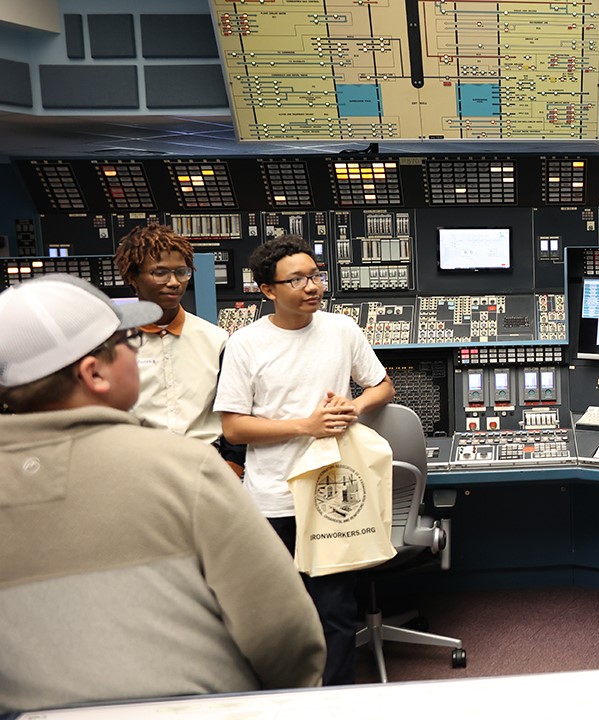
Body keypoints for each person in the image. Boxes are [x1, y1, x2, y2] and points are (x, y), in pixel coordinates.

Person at [0, 274, 325, 712]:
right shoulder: (184, 469)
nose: (137, 353)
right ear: (94, 373)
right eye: (128, 342)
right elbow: (283, 632)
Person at [214, 235, 395, 686]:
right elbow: (234, 428)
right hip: (275, 495)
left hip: (330, 493)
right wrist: (307, 425)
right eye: (296, 279)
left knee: (336, 612)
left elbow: (382, 386)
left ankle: (335, 702)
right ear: (268, 290)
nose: (311, 286)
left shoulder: (342, 329)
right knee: (282, 613)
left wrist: (353, 407)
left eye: (315, 275)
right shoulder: (245, 345)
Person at [113, 223, 241, 467]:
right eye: (160, 273)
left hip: (204, 468)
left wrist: (233, 468)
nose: (174, 282)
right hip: (135, 468)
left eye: (181, 272)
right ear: (132, 277)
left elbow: (234, 413)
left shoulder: (216, 340)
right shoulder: (110, 342)